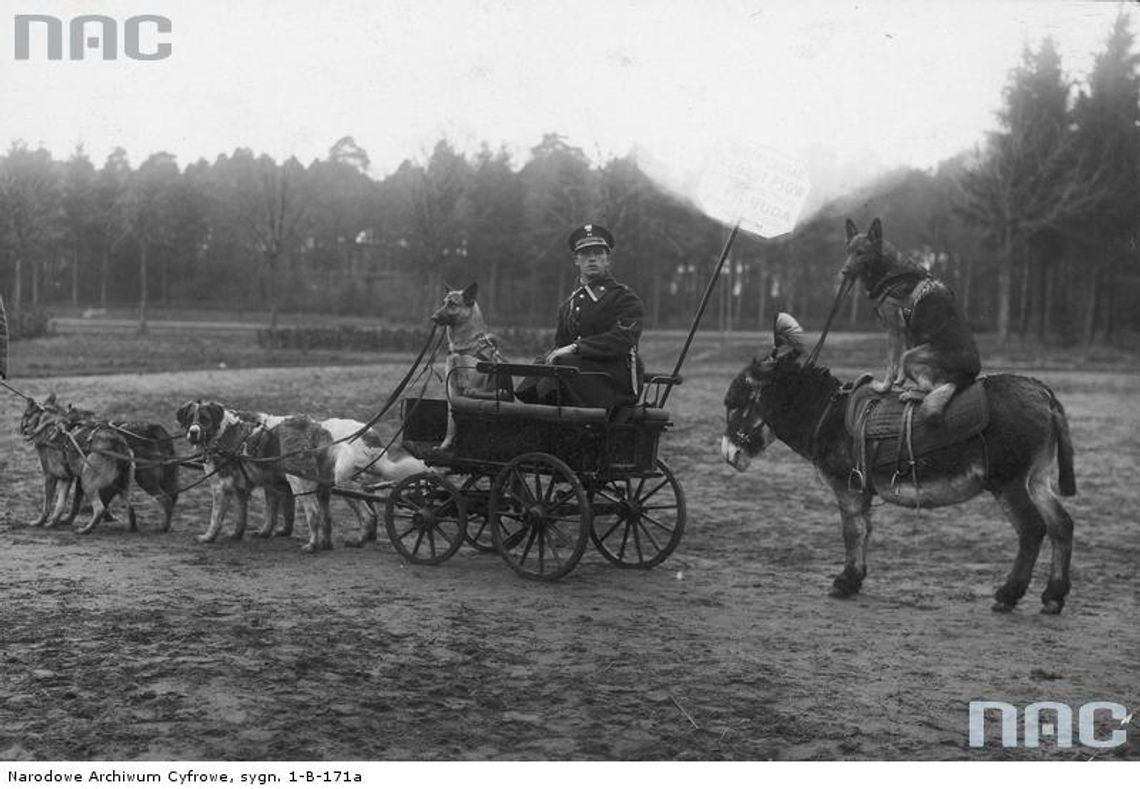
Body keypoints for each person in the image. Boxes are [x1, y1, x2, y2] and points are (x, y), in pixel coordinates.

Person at [516, 223, 645, 410]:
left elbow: (622, 339)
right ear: (576, 260)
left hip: (614, 380)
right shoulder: (568, 305)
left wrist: (576, 348)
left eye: (599, 253)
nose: (592, 259)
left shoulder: (624, 298)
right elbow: (560, 343)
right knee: (541, 363)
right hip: (578, 374)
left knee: (562, 362)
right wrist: (552, 354)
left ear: (608, 259)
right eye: (585, 254)